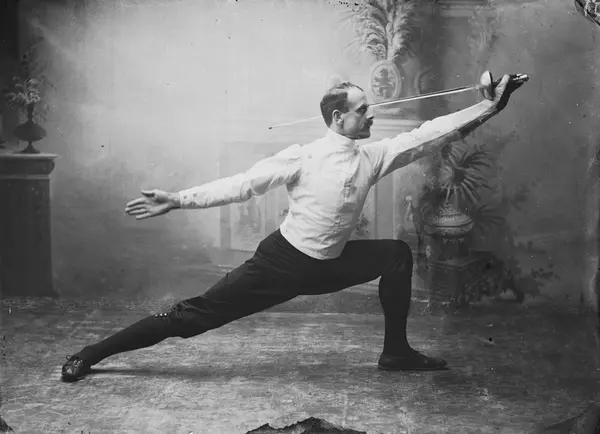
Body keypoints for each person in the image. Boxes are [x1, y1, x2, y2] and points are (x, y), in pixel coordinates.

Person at [61, 71, 525, 382]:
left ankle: (396, 352)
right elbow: (241, 185)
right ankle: (90, 354)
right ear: (337, 117)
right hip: (281, 266)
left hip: (330, 265)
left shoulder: (373, 156)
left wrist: (489, 107)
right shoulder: (302, 157)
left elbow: (429, 135)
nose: (372, 115)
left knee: (395, 255)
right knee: (189, 318)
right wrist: (178, 199)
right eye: (362, 109)